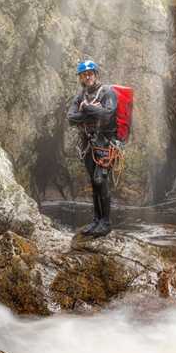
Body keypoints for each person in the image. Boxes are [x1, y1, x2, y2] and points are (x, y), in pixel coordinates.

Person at [67, 59, 118, 237]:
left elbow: (107, 114)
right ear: (81, 78)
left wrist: (86, 108)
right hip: (88, 144)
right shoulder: (79, 96)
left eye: (90, 73)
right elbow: (71, 118)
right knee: (93, 182)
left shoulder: (107, 93)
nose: (87, 77)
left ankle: (106, 222)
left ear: (96, 74)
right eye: (84, 74)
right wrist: (91, 110)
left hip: (105, 144)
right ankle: (97, 220)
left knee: (100, 180)